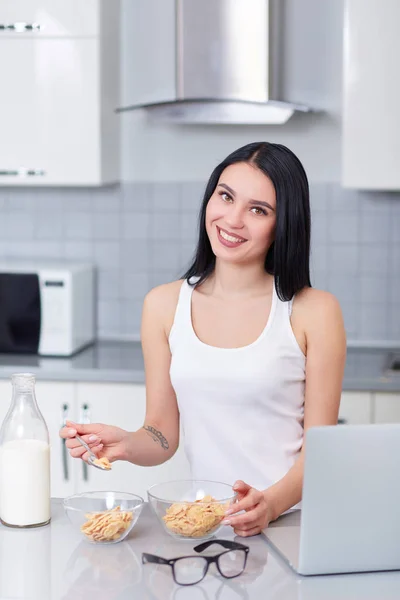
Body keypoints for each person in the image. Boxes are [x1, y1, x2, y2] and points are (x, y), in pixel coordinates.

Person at [60, 142, 346, 537]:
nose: (232, 219)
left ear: (284, 225)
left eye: (258, 210)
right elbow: (162, 435)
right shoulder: (163, 305)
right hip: (207, 525)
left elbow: (320, 452)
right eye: (225, 196)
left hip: (294, 526)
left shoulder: (315, 312)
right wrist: (124, 444)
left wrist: (270, 505)